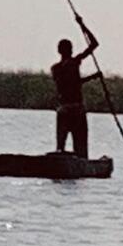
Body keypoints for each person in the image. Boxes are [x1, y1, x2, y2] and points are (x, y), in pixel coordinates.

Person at [51, 19, 99, 156]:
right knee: (81, 149)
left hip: (63, 109)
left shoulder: (55, 68)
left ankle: (61, 161)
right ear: (70, 50)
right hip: (76, 109)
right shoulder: (74, 62)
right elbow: (94, 44)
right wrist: (82, 25)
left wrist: (92, 77)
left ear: (59, 51)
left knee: (60, 147)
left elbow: (68, 84)